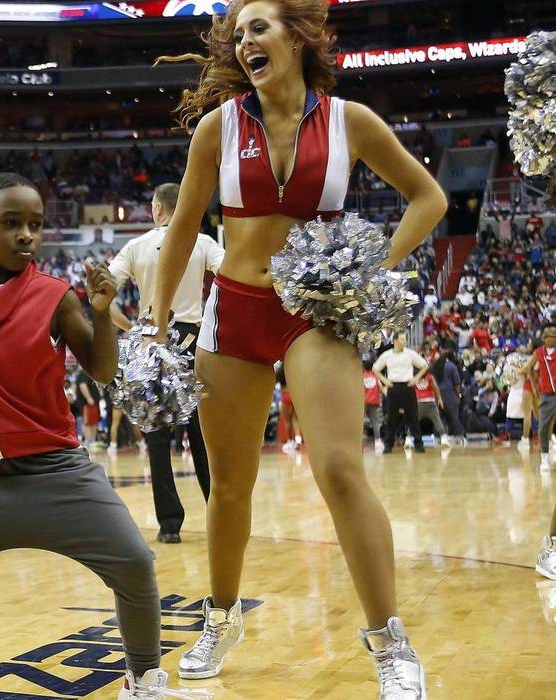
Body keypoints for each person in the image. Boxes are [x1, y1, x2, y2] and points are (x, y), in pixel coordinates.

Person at [153, 1, 446, 695]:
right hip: (233, 311)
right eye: (237, 33)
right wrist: (153, 318)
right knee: (228, 486)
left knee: (340, 470)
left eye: (258, 26)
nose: (244, 39)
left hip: (314, 315)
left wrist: (367, 270)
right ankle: (221, 617)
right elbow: (180, 231)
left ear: (295, 36)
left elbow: (426, 198)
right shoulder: (215, 130)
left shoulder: (350, 121)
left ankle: (389, 642)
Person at [0, 172, 179, 699]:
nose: (27, 235)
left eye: (35, 225)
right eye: (12, 224)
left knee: (135, 566)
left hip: (55, 472)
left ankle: (143, 679)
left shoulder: (55, 297)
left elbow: (100, 368)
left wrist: (99, 313)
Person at [107, 182, 218, 543]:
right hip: (192, 340)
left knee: (157, 436)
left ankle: (170, 526)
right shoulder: (201, 242)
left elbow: (102, 296)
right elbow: (231, 275)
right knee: (203, 436)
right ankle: (218, 515)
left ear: (156, 209)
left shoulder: (136, 246)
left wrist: (130, 328)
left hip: (150, 339)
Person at [373, 335, 429, 454]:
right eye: (402, 339)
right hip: (393, 388)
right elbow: (375, 368)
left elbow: (424, 365)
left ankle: (419, 444)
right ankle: (388, 446)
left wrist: (416, 378)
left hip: (408, 387)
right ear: (395, 341)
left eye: (405, 339)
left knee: (413, 417)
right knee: (391, 418)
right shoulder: (387, 354)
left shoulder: (410, 353)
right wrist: (385, 380)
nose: (405, 341)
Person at [518, 324, 556, 471]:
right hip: (546, 394)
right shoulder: (539, 352)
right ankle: (544, 457)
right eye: (550, 335)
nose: (552, 338)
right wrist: (534, 385)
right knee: (543, 426)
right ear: (545, 339)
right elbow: (528, 367)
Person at [413, 372, 452, 447]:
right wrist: (439, 398)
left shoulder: (414, 377)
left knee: (413, 421)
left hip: (419, 402)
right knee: (437, 421)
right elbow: (435, 387)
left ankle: (408, 440)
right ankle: (443, 439)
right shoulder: (429, 376)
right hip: (430, 401)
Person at [363, 359, 385, 451]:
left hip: (363, 402)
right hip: (374, 402)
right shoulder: (376, 376)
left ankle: (359, 442)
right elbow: (380, 387)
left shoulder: (361, 376)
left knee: (361, 422)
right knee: (375, 422)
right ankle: (378, 441)